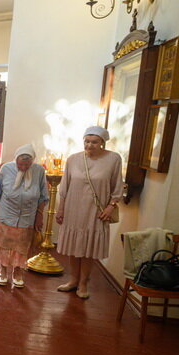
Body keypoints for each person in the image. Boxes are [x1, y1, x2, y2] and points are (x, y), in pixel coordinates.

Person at [55, 126, 122, 299]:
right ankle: (73, 280)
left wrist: (110, 206)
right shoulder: (73, 159)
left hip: (96, 211)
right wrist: (61, 208)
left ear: (102, 143)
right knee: (73, 246)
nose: (90, 145)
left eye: (94, 142)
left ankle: (84, 282)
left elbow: (117, 186)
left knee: (88, 247)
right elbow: (65, 186)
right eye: (87, 141)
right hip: (73, 207)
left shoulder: (113, 159)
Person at [0, 144, 48, 288]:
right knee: (4, 244)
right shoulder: (6, 169)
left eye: (27, 165)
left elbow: (43, 196)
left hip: (27, 216)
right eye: (20, 164)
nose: (23, 167)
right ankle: (3, 271)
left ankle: (17, 272)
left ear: (32, 162)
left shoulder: (39, 171)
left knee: (22, 246)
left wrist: (39, 216)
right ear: (15, 160)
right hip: (7, 214)